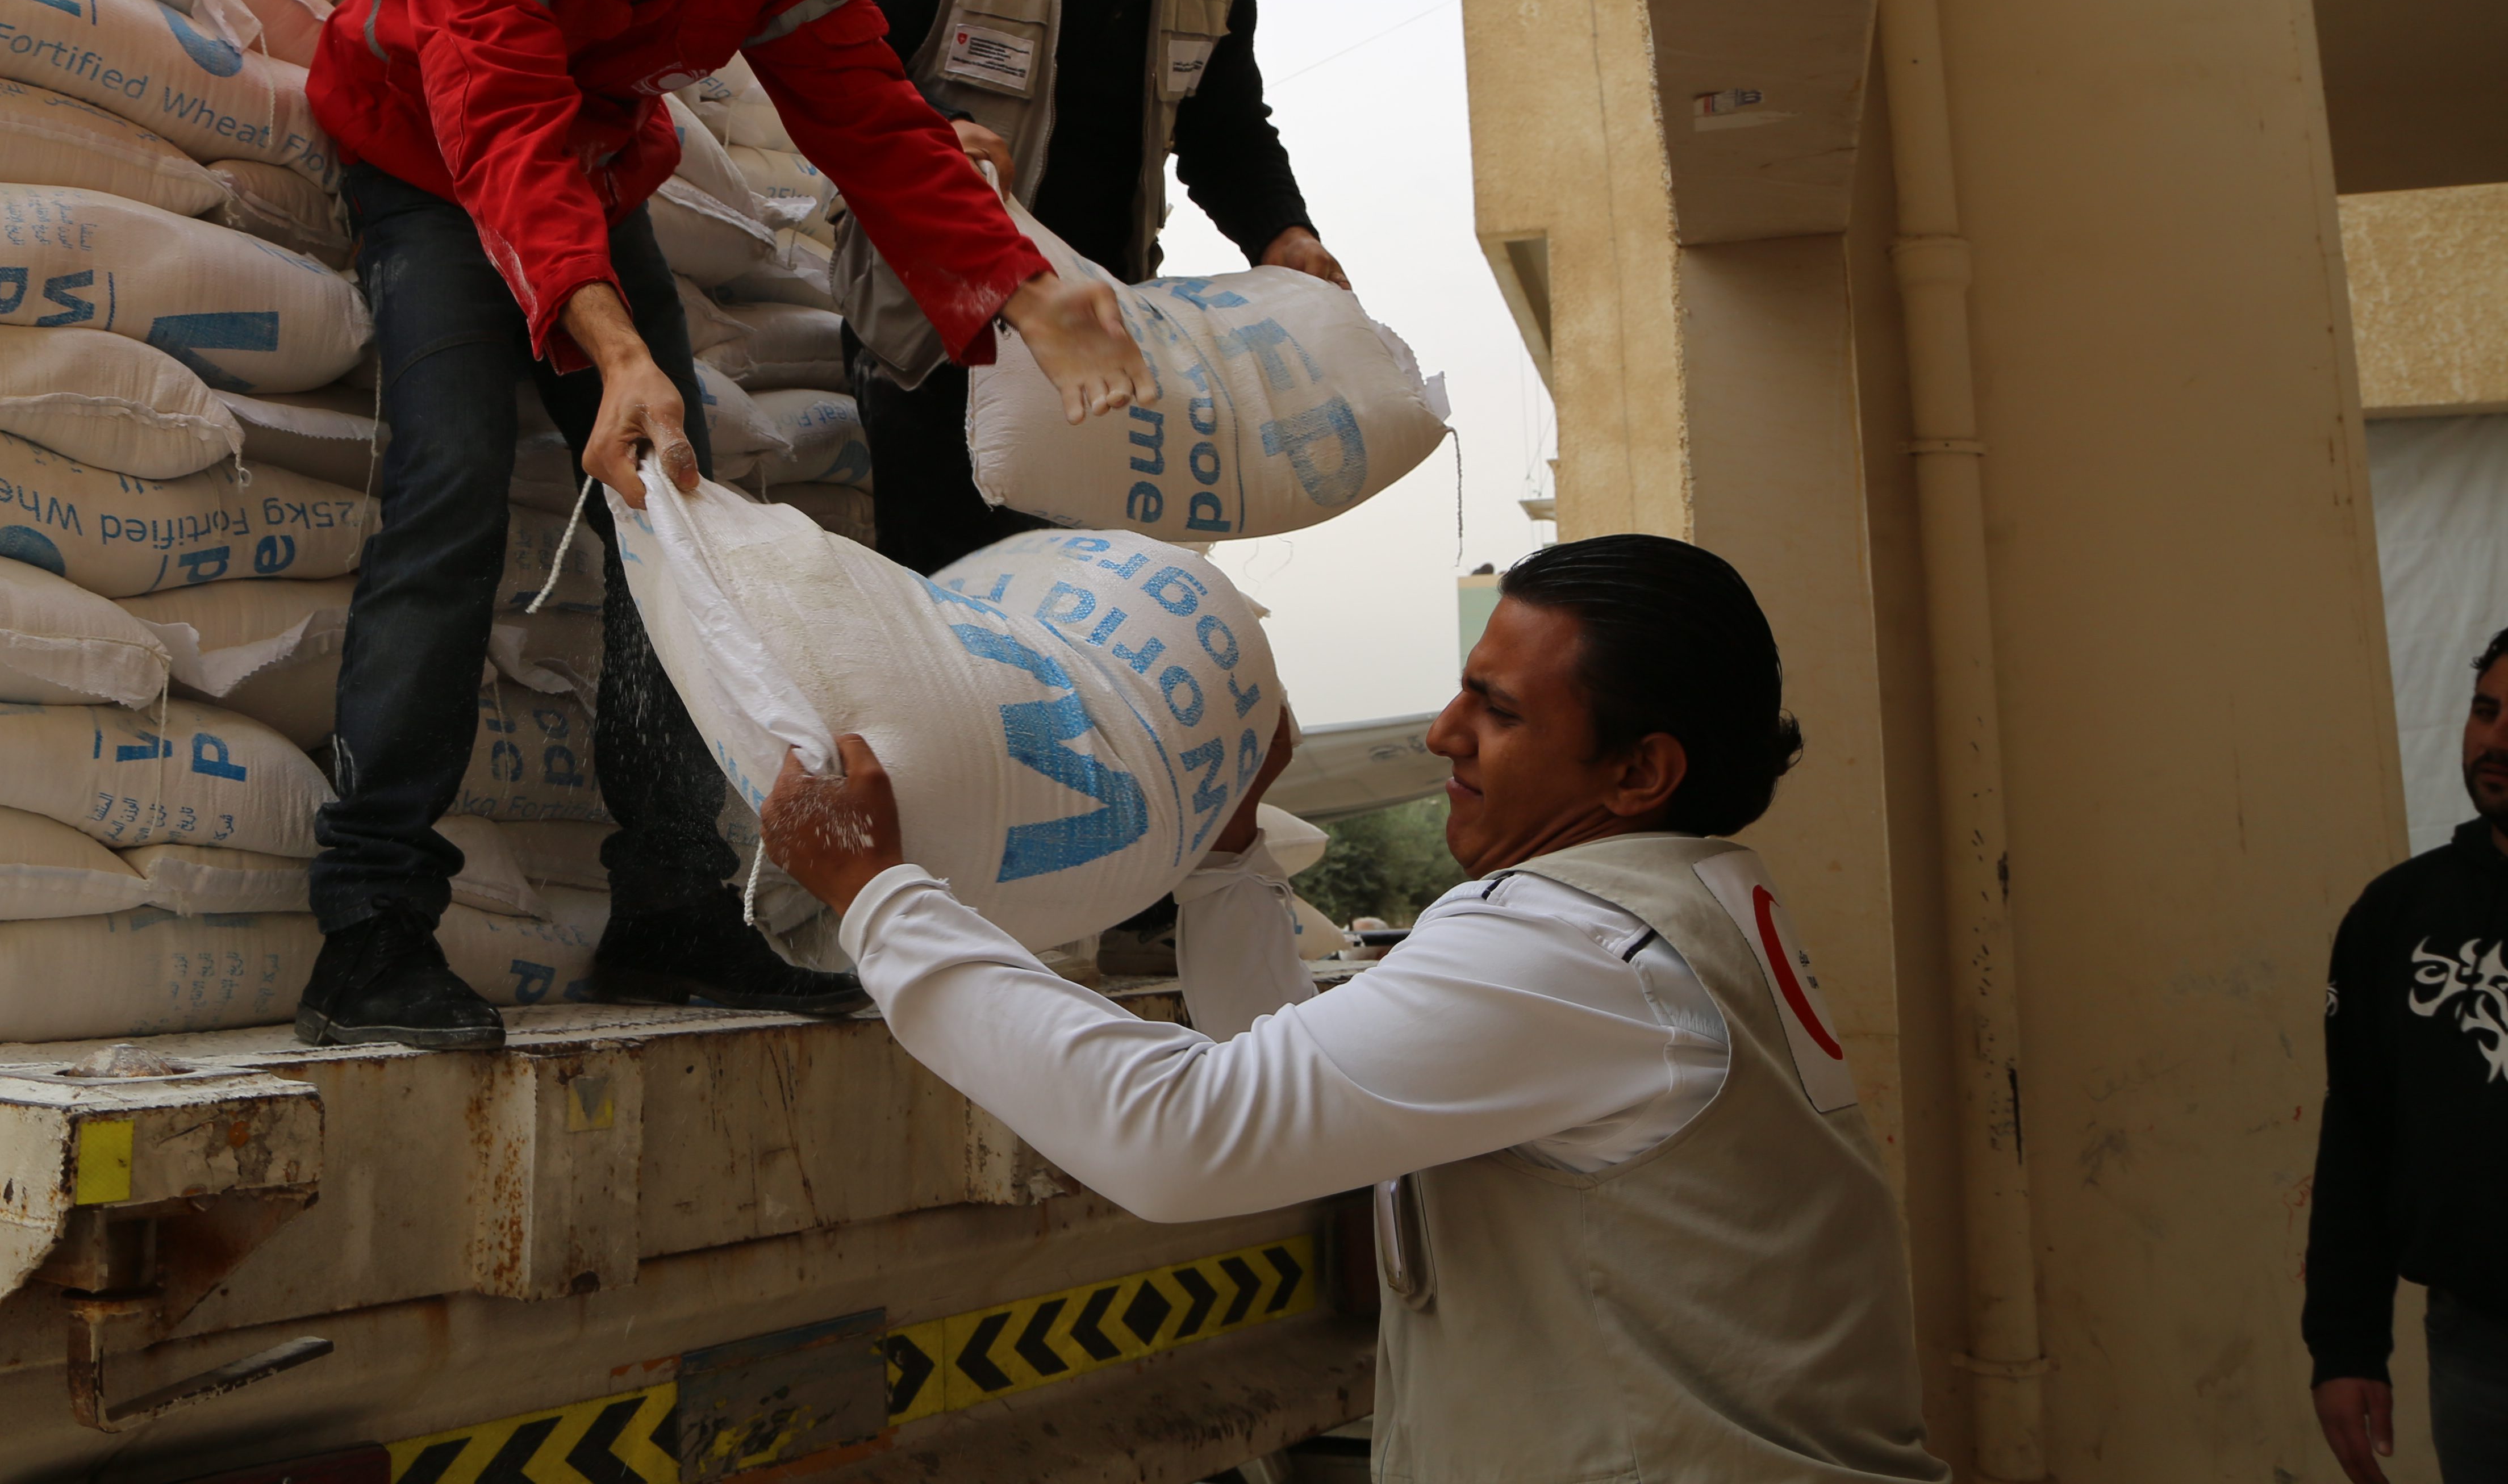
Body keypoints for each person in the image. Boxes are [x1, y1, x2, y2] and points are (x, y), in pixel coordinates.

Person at [295, 0, 1150, 1051]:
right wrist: (615, 350)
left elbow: (869, 115)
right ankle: (371, 928)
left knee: (677, 517)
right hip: (430, 159)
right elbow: (497, 124)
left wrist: (1021, 288)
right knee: (447, 489)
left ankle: (673, 909)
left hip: (595, 156)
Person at [761, 533, 1949, 1482]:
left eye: (1500, 712)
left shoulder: (1576, 947)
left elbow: (1178, 1137)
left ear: (1640, 772)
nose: (1445, 735)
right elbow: (1293, 1103)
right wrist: (1227, 859)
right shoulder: (1684, 908)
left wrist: (879, 897)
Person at [835, 0, 1344, 578]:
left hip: (1099, 331)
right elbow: (835, 70)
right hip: (936, 337)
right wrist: (932, 130)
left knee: (1085, 594)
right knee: (961, 595)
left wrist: (1284, 235)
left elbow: (1228, 137)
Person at [2305, 626, 2508, 1484]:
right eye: (2486, 710)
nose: (2495, 740)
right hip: (2481, 1346)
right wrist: (2346, 1344)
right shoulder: (2396, 916)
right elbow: (2360, 1137)